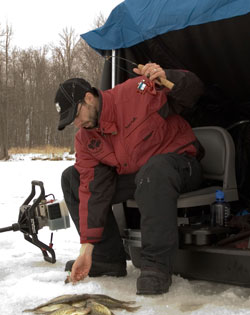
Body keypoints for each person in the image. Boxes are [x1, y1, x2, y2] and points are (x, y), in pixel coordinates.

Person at [54, 63, 204, 295]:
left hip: (181, 165)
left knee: (153, 170)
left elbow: (194, 91)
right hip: (141, 177)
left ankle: (156, 265)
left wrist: (168, 76)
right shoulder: (85, 138)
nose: (76, 124)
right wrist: (87, 249)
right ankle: (106, 259)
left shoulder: (138, 91)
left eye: (75, 115)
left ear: (89, 98)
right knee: (72, 178)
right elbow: (91, 189)